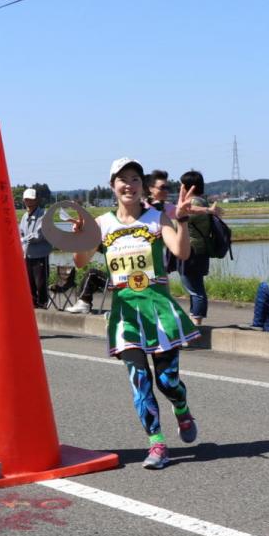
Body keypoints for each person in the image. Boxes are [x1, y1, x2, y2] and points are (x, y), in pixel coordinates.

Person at [72, 158, 200, 470]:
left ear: (142, 185)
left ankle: (181, 408)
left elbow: (181, 252)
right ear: (112, 185)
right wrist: (82, 237)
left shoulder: (157, 218)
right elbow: (80, 261)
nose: (128, 185)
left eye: (134, 179)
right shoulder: (102, 224)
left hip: (158, 309)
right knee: (139, 380)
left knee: (168, 382)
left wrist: (181, 220)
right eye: (122, 179)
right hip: (125, 312)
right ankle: (156, 444)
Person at [174, 170, 222, 327]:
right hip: (197, 250)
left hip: (192, 251)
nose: (180, 187)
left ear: (189, 187)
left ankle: (196, 323)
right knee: (195, 287)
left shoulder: (195, 203)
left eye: (182, 184)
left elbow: (184, 214)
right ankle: (195, 320)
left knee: (195, 289)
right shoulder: (201, 201)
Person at [19, 187, 52, 307]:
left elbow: (38, 235)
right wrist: (23, 239)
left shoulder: (44, 215)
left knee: (40, 282)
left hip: (40, 255)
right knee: (29, 282)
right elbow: (20, 232)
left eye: (31, 199)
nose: (28, 202)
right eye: (26, 199)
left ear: (37, 200)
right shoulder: (24, 216)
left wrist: (23, 239)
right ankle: (32, 305)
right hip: (27, 254)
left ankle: (43, 304)